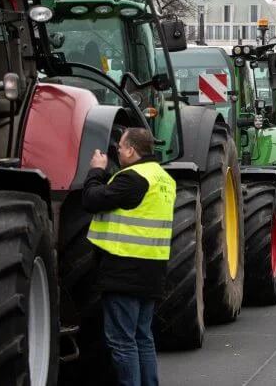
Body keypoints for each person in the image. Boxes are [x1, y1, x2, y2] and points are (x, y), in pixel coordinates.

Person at [83, 128, 176, 385]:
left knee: (122, 342)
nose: (118, 152)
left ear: (132, 150)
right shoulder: (163, 178)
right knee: (142, 338)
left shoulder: (133, 178)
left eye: (121, 148)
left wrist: (97, 171)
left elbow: (91, 199)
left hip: (124, 272)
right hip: (152, 271)